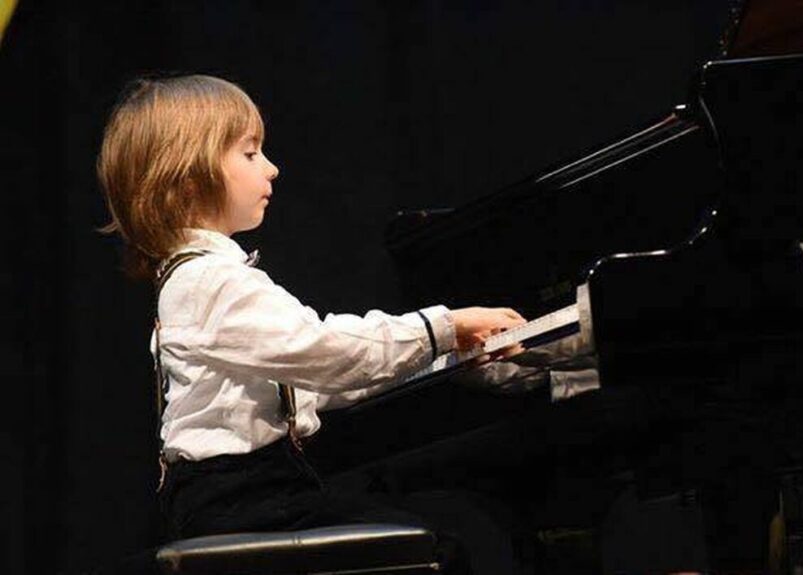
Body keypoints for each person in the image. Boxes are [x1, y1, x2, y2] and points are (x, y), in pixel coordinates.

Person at [97, 74, 526, 572]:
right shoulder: (208, 281)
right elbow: (324, 351)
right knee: (445, 545)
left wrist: (442, 357)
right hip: (242, 502)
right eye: (250, 154)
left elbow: (314, 381)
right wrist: (442, 327)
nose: (272, 168)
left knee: (430, 524)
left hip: (250, 493)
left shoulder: (204, 278)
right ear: (189, 178)